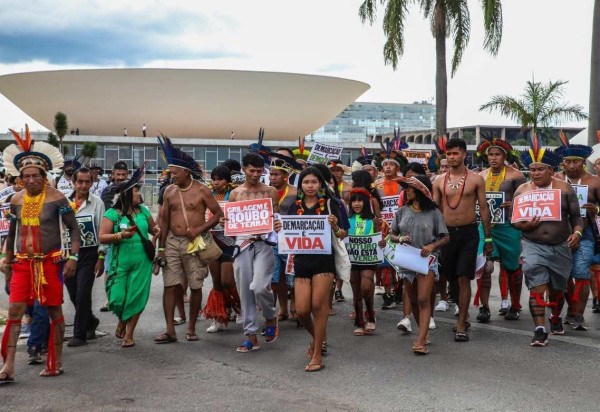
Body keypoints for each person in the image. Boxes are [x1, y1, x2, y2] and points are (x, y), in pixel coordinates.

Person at [1, 125, 80, 381]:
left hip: (50, 263)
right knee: (14, 312)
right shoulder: (15, 200)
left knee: (53, 311)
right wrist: (6, 261)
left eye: (36, 175)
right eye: (27, 176)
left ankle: (55, 361)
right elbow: (13, 234)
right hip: (23, 264)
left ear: (44, 176)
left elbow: (75, 230)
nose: (31, 180)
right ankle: (8, 366)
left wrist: (73, 258)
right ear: (20, 177)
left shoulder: (57, 199)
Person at [513, 138, 583, 346]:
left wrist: (577, 234)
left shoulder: (564, 189)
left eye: (540, 169)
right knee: (537, 286)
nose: (535, 173)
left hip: (561, 246)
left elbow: (576, 218)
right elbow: (514, 220)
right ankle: (539, 329)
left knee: (557, 290)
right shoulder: (522, 191)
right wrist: (524, 226)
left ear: (551, 170)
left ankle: (555, 317)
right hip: (533, 246)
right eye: (532, 169)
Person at [156, 136, 222, 343]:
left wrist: (199, 229)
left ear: (185, 171)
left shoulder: (202, 190)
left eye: (174, 173)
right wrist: (160, 249)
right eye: (170, 173)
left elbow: (218, 215)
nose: (171, 176)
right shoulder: (168, 191)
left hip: (195, 243)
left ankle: (191, 328)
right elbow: (164, 220)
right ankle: (170, 330)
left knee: (195, 286)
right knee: (170, 285)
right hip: (172, 242)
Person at [285, 167, 347, 371]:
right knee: (302, 310)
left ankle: (317, 355)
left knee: (318, 307)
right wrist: (280, 229)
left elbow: (342, 235)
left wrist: (335, 226)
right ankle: (317, 338)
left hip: (324, 263)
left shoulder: (331, 204)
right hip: (302, 262)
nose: (310, 186)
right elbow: (288, 233)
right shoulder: (294, 206)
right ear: (300, 185)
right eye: (306, 182)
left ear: (320, 184)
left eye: (314, 182)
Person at [432, 137, 492, 342]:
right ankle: (461, 309)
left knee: (464, 276)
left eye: (455, 153)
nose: (451, 157)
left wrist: (489, 237)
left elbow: (484, 208)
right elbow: (435, 210)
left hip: (469, 233)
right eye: (448, 154)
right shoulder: (439, 181)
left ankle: (461, 324)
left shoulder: (476, 179)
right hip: (447, 234)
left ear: (465, 154)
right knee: (450, 276)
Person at [386, 176, 448, 354]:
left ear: (420, 191)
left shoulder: (434, 213)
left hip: (427, 260)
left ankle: (420, 340)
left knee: (423, 298)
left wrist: (432, 246)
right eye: (405, 188)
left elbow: (445, 236)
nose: (406, 191)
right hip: (407, 259)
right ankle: (424, 331)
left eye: (410, 188)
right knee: (413, 299)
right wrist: (399, 239)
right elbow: (392, 235)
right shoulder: (402, 211)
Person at [99, 165, 158, 348]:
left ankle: (129, 334)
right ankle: (122, 320)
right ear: (125, 194)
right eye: (135, 191)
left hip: (142, 259)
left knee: (136, 297)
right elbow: (102, 236)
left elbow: (152, 228)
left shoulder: (143, 211)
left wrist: (156, 232)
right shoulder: (112, 214)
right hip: (119, 258)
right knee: (116, 298)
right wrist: (120, 236)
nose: (139, 194)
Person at [226, 152, 280, 353]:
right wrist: (226, 222)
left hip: (264, 242)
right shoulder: (235, 194)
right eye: (252, 170)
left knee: (259, 286)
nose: (256, 174)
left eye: (259, 171)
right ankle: (250, 335)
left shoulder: (270, 190)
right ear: (244, 170)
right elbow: (229, 221)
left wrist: (277, 223)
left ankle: (270, 315)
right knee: (244, 289)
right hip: (242, 242)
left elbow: (276, 215)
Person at [473, 139, 526, 322]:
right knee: (484, 266)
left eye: (497, 154)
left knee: (512, 268)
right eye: (491, 154)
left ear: (505, 156)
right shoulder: (481, 175)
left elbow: (526, 199)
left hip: (509, 226)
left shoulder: (516, 175)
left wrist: (514, 203)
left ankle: (515, 305)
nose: (494, 158)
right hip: (485, 227)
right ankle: (484, 307)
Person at [554, 141, 600, 330]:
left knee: (581, 274)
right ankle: (571, 310)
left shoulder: (594, 182)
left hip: (586, 233)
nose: (572, 166)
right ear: (563, 163)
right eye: (568, 162)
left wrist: (596, 208)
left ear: (583, 163)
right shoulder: (555, 179)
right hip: (558, 234)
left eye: (576, 162)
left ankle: (579, 315)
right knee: (563, 275)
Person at [65, 167, 106, 347]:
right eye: (80, 181)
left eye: (87, 182)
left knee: (83, 291)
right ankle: (89, 320)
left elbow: (101, 230)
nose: (83, 185)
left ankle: (79, 334)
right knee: (73, 292)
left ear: (92, 182)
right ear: (73, 182)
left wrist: (101, 257)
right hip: (67, 253)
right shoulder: (63, 201)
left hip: (89, 252)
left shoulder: (97, 203)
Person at [202, 165, 240, 333]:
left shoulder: (234, 195)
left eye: (220, 179)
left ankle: (240, 308)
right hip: (212, 242)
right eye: (214, 179)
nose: (216, 182)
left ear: (228, 181)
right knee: (216, 283)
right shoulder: (207, 196)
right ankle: (218, 316)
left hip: (230, 243)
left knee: (227, 281)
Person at [373, 144, 408, 311]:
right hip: (384, 227)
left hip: (402, 227)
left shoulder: (404, 184)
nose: (387, 167)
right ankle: (387, 293)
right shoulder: (376, 185)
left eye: (391, 164)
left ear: (398, 167)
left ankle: (399, 289)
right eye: (385, 164)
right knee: (385, 262)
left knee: (402, 259)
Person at [268, 153, 300, 321]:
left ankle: (295, 307)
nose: (272, 177)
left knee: (292, 274)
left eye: (276, 174)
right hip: (272, 239)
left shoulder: (295, 193)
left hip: (291, 240)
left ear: (286, 176)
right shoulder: (266, 192)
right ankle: (283, 309)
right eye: (270, 174)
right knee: (277, 277)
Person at [347, 188, 378, 336]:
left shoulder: (373, 220)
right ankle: (359, 321)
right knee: (356, 293)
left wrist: (383, 243)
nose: (356, 204)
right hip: (352, 259)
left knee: (366, 287)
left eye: (360, 201)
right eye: (353, 201)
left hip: (368, 259)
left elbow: (381, 239)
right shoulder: (346, 220)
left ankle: (370, 313)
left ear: (366, 202)